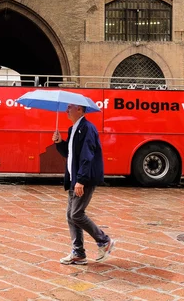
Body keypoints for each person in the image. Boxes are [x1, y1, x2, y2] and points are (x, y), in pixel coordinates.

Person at [52, 103, 115, 265]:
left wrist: (81, 180)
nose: (66, 111)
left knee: (76, 214)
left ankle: (104, 240)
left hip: (82, 179)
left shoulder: (87, 128)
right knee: (70, 215)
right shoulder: (73, 129)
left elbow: (88, 156)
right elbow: (70, 153)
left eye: (70, 108)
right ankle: (78, 253)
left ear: (79, 109)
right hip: (75, 178)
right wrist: (59, 143)